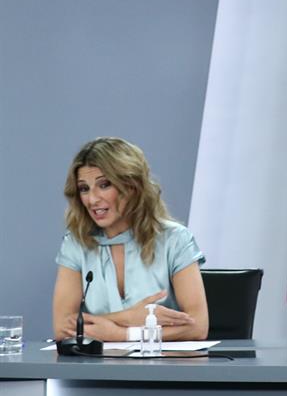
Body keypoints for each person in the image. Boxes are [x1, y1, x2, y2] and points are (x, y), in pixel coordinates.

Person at [52, 137, 209, 341]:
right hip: (94, 370)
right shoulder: (76, 243)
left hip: (161, 369)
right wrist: (130, 317)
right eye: (84, 188)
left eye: (104, 184)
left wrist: (123, 334)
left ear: (132, 186)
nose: (92, 199)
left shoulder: (175, 239)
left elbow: (198, 327)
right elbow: (62, 328)